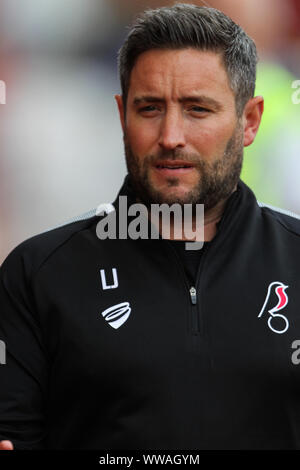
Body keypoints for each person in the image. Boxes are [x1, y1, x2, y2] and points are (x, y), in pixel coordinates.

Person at [0, 3, 299, 450]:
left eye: (197, 109)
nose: (171, 135)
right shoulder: (39, 274)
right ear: (122, 115)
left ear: (249, 121)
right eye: (150, 108)